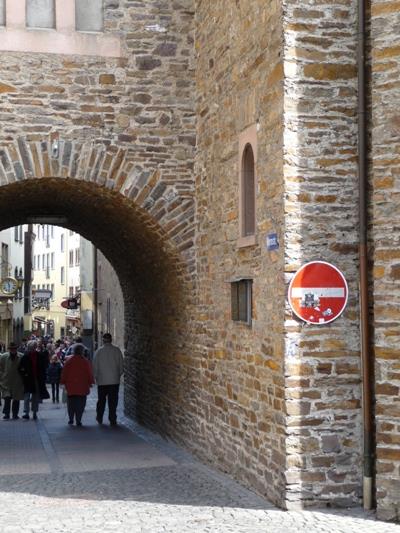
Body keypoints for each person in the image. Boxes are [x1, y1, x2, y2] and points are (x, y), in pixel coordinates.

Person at [93, 333, 124, 426]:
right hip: (114, 380)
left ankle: (99, 417)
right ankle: (112, 418)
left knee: (101, 400)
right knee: (113, 401)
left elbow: (95, 366)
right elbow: (121, 366)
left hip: (102, 380)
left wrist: (96, 377)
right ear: (111, 340)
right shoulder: (117, 350)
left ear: (103, 340)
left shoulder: (98, 352)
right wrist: (118, 374)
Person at [60, 343, 94, 426]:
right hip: (82, 386)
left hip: (71, 386)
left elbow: (64, 372)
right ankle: (78, 419)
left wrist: (63, 382)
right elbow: (89, 373)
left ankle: (71, 419)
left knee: (71, 403)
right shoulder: (85, 361)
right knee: (81, 404)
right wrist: (90, 382)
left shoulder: (69, 361)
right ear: (82, 352)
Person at [19, 339, 50, 420]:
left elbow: (44, 366)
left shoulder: (40, 356)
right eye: (31, 347)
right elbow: (20, 368)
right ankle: (26, 412)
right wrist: (24, 374)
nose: (32, 348)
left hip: (36, 379)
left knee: (35, 397)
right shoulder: (25, 356)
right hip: (28, 379)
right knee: (27, 396)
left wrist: (42, 376)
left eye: (33, 347)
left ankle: (34, 412)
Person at [0, 342, 24, 420]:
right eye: (11, 349)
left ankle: (15, 414)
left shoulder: (21, 356)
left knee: (16, 399)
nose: (13, 350)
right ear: (9, 349)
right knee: (7, 398)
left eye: (14, 349)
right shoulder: (3, 357)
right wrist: (2, 376)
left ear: (16, 349)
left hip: (17, 381)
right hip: (6, 380)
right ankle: (6, 414)